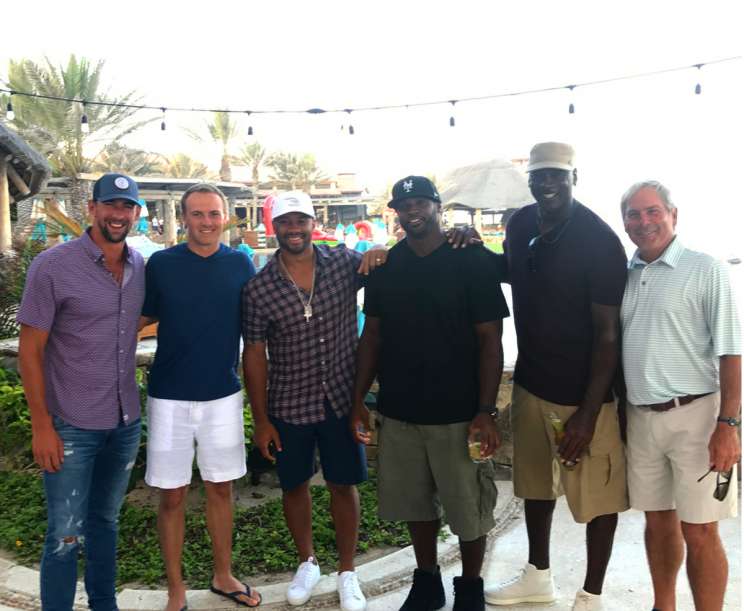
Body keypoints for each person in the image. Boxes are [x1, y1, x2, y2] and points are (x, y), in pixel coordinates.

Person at [350, 175, 510, 611]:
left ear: (438, 207)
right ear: (395, 213)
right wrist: (358, 399)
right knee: (415, 505)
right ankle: (427, 583)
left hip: (459, 412)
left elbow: (490, 341)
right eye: (404, 205)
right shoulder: (385, 266)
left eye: (421, 202)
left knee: (468, 508)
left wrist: (485, 410)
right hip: (400, 409)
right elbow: (373, 337)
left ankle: (471, 587)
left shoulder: (471, 261)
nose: (413, 210)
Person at [483, 143, 629, 611]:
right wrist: (464, 243)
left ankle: (592, 594)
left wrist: (588, 412)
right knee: (534, 487)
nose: (547, 184)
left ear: (573, 177)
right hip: (530, 385)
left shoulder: (600, 241)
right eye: (539, 175)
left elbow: (608, 334)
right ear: (529, 178)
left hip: (586, 397)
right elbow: (517, 271)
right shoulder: (520, 222)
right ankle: (537, 577)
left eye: (557, 176)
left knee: (599, 501)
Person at [241, 191, 390, 611]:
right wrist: (261, 419)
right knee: (295, 485)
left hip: (342, 399)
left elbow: (386, 266)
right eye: (285, 221)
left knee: (344, 483)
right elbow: (253, 354)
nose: (293, 228)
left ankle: (347, 571)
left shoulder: (344, 264)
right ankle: (307, 561)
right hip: (288, 402)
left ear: (312, 223)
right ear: (274, 227)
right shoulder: (258, 288)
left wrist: (379, 249)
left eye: (300, 220)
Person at [16, 173, 145, 611]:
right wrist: (41, 425)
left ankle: (103, 604)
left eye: (126, 207)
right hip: (70, 424)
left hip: (125, 422)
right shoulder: (52, 267)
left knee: (106, 521)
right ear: (92, 208)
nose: (118, 214)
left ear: (137, 214)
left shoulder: (139, 266)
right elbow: (29, 351)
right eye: (110, 205)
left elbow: (130, 324)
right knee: (65, 533)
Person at [617, 181, 741, 611]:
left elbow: (730, 350)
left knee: (701, 528)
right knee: (657, 520)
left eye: (652, 211)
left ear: (673, 214)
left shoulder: (705, 268)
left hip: (697, 417)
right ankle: (663, 606)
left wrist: (728, 424)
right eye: (633, 215)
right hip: (640, 417)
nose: (643, 221)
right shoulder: (623, 274)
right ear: (625, 224)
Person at [138, 184, 261, 609]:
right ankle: (176, 592)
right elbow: (138, 317)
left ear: (224, 216)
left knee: (220, 489)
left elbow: (259, 327)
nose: (206, 222)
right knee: (171, 495)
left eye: (213, 214)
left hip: (222, 395)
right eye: (197, 214)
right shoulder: (161, 263)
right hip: (169, 397)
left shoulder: (242, 264)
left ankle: (223, 575)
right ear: (184, 219)